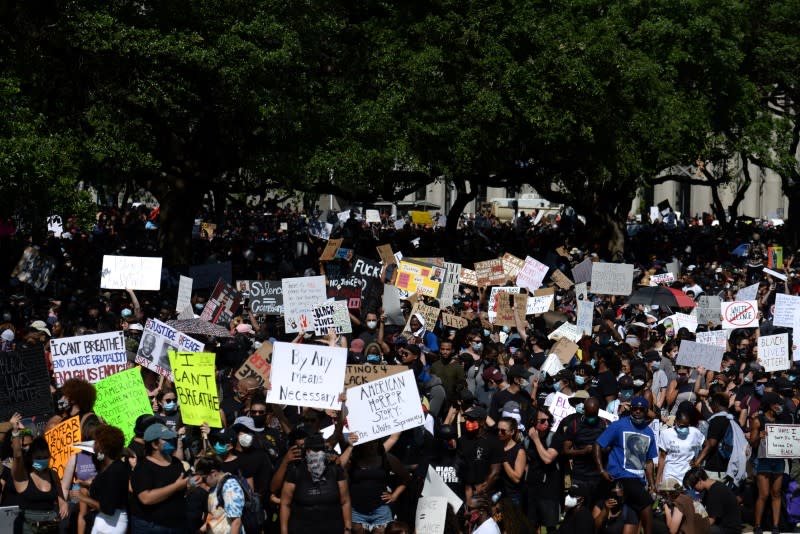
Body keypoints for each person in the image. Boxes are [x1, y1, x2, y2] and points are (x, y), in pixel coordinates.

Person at [594, 396, 657, 534]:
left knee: (632, 517)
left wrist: (652, 484)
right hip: (621, 476)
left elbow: (648, 461)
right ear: (631, 410)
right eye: (635, 409)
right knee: (646, 504)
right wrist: (601, 470)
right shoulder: (619, 425)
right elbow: (598, 444)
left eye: (641, 409)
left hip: (639, 480)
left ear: (646, 411)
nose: (638, 412)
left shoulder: (649, 432)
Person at [279, 433, 351, 534]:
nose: (317, 453)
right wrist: (284, 531)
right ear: (306, 451)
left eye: (320, 450)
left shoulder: (334, 470)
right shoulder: (296, 471)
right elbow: (285, 504)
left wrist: (348, 528)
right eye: (314, 450)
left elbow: (345, 501)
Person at [129, 423, 188, 534]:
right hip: (151, 527)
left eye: (172, 438)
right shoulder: (143, 468)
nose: (172, 441)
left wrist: (191, 484)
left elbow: (183, 486)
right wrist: (175, 487)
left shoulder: (176, 462)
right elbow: (146, 498)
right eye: (167, 439)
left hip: (176, 525)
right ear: (155, 445)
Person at [11, 430, 68, 534]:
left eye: (45, 457)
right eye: (38, 458)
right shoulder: (23, 476)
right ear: (31, 457)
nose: (42, 461)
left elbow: (60, 496)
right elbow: (17, 455)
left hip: (51, 526)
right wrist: (15, 433)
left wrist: (63, 503)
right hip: (29, 527)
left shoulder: (53, 474)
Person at [76, 424, 130, 534]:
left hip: (112, 524)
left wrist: (82, 497)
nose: (93, 445)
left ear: (101, 447)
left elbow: (108, 508)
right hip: (104, 522)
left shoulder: (115, 471)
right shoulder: (109, 467)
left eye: (95, 442)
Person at [749, 392, 786, 534]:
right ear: (770, 405)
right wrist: (759, 435)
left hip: (778, 461)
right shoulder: (758, 421)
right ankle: (758, 525)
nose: (780, 406)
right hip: (763, 460)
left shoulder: (781, 420)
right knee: (763, 494)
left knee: (776, 493)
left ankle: (775, 526)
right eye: (777, 404)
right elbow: (752, 443)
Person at [458, 406, 502, 503]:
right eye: (467, 419)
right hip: (464, 492)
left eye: (472, 419)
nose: (468, 422)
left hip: (484, 494)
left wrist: (481, 489)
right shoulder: (461, 441)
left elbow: (495, 471)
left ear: (482, 422)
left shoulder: (493, 442)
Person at [194, 455, 245, 534]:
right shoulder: (215, 486)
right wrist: (201, 530)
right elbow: (216, 515)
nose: (203, 482)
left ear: (213, 473)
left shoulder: (230, 487)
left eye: (204, 478)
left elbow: (236, 522)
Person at [682, 467, 741, 534]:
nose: (693, 489)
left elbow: (710, 521)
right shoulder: (709, 489)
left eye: (693, 486)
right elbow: (703, 512)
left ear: (700, 480)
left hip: (729, 529)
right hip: (721, 525)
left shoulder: (715, 492)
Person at [656, 410, 704, 487]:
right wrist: (658, 479)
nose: (684, 428)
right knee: (670, 497)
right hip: (670, 474)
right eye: (682, 426)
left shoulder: (694, 432)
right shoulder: (666, 434)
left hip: (688, 475)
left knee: (685, 498)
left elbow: (707, 444)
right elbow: (662, 457)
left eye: (686, 426)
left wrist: (698, 461)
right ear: (675, 422)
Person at [496, 417, 526, 508]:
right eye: (498, 430)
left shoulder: (519, 451)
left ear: (512, 432)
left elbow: (516, 478)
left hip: (512, 497)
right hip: (496, 495)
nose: (499, 433)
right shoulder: (495, 447)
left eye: (503, 431)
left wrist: (504, 460)